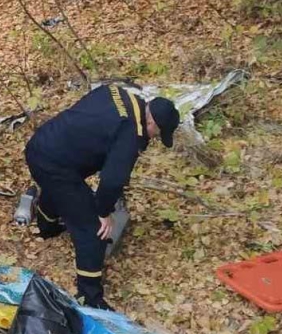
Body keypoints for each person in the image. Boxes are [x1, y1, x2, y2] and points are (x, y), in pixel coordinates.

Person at [23, 85, 180, 310]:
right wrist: (103, 212)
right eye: (158, 134)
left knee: (62, 191)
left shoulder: (118, 92)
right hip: (56, 165)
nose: (155, 138)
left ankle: (47, 228)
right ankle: (90, 297)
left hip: (42, 144)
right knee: (94, 230)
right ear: (152, 123)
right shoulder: (130, 134)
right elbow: (112, 180)